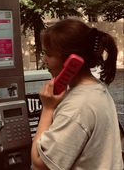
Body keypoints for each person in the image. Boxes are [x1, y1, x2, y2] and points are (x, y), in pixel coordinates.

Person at [31, 18, 123, 170]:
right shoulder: (96, 89)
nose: (44, 60)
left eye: (48, 54)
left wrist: (47, 109)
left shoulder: (77, 106)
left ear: (71, 61)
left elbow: (40, 163)